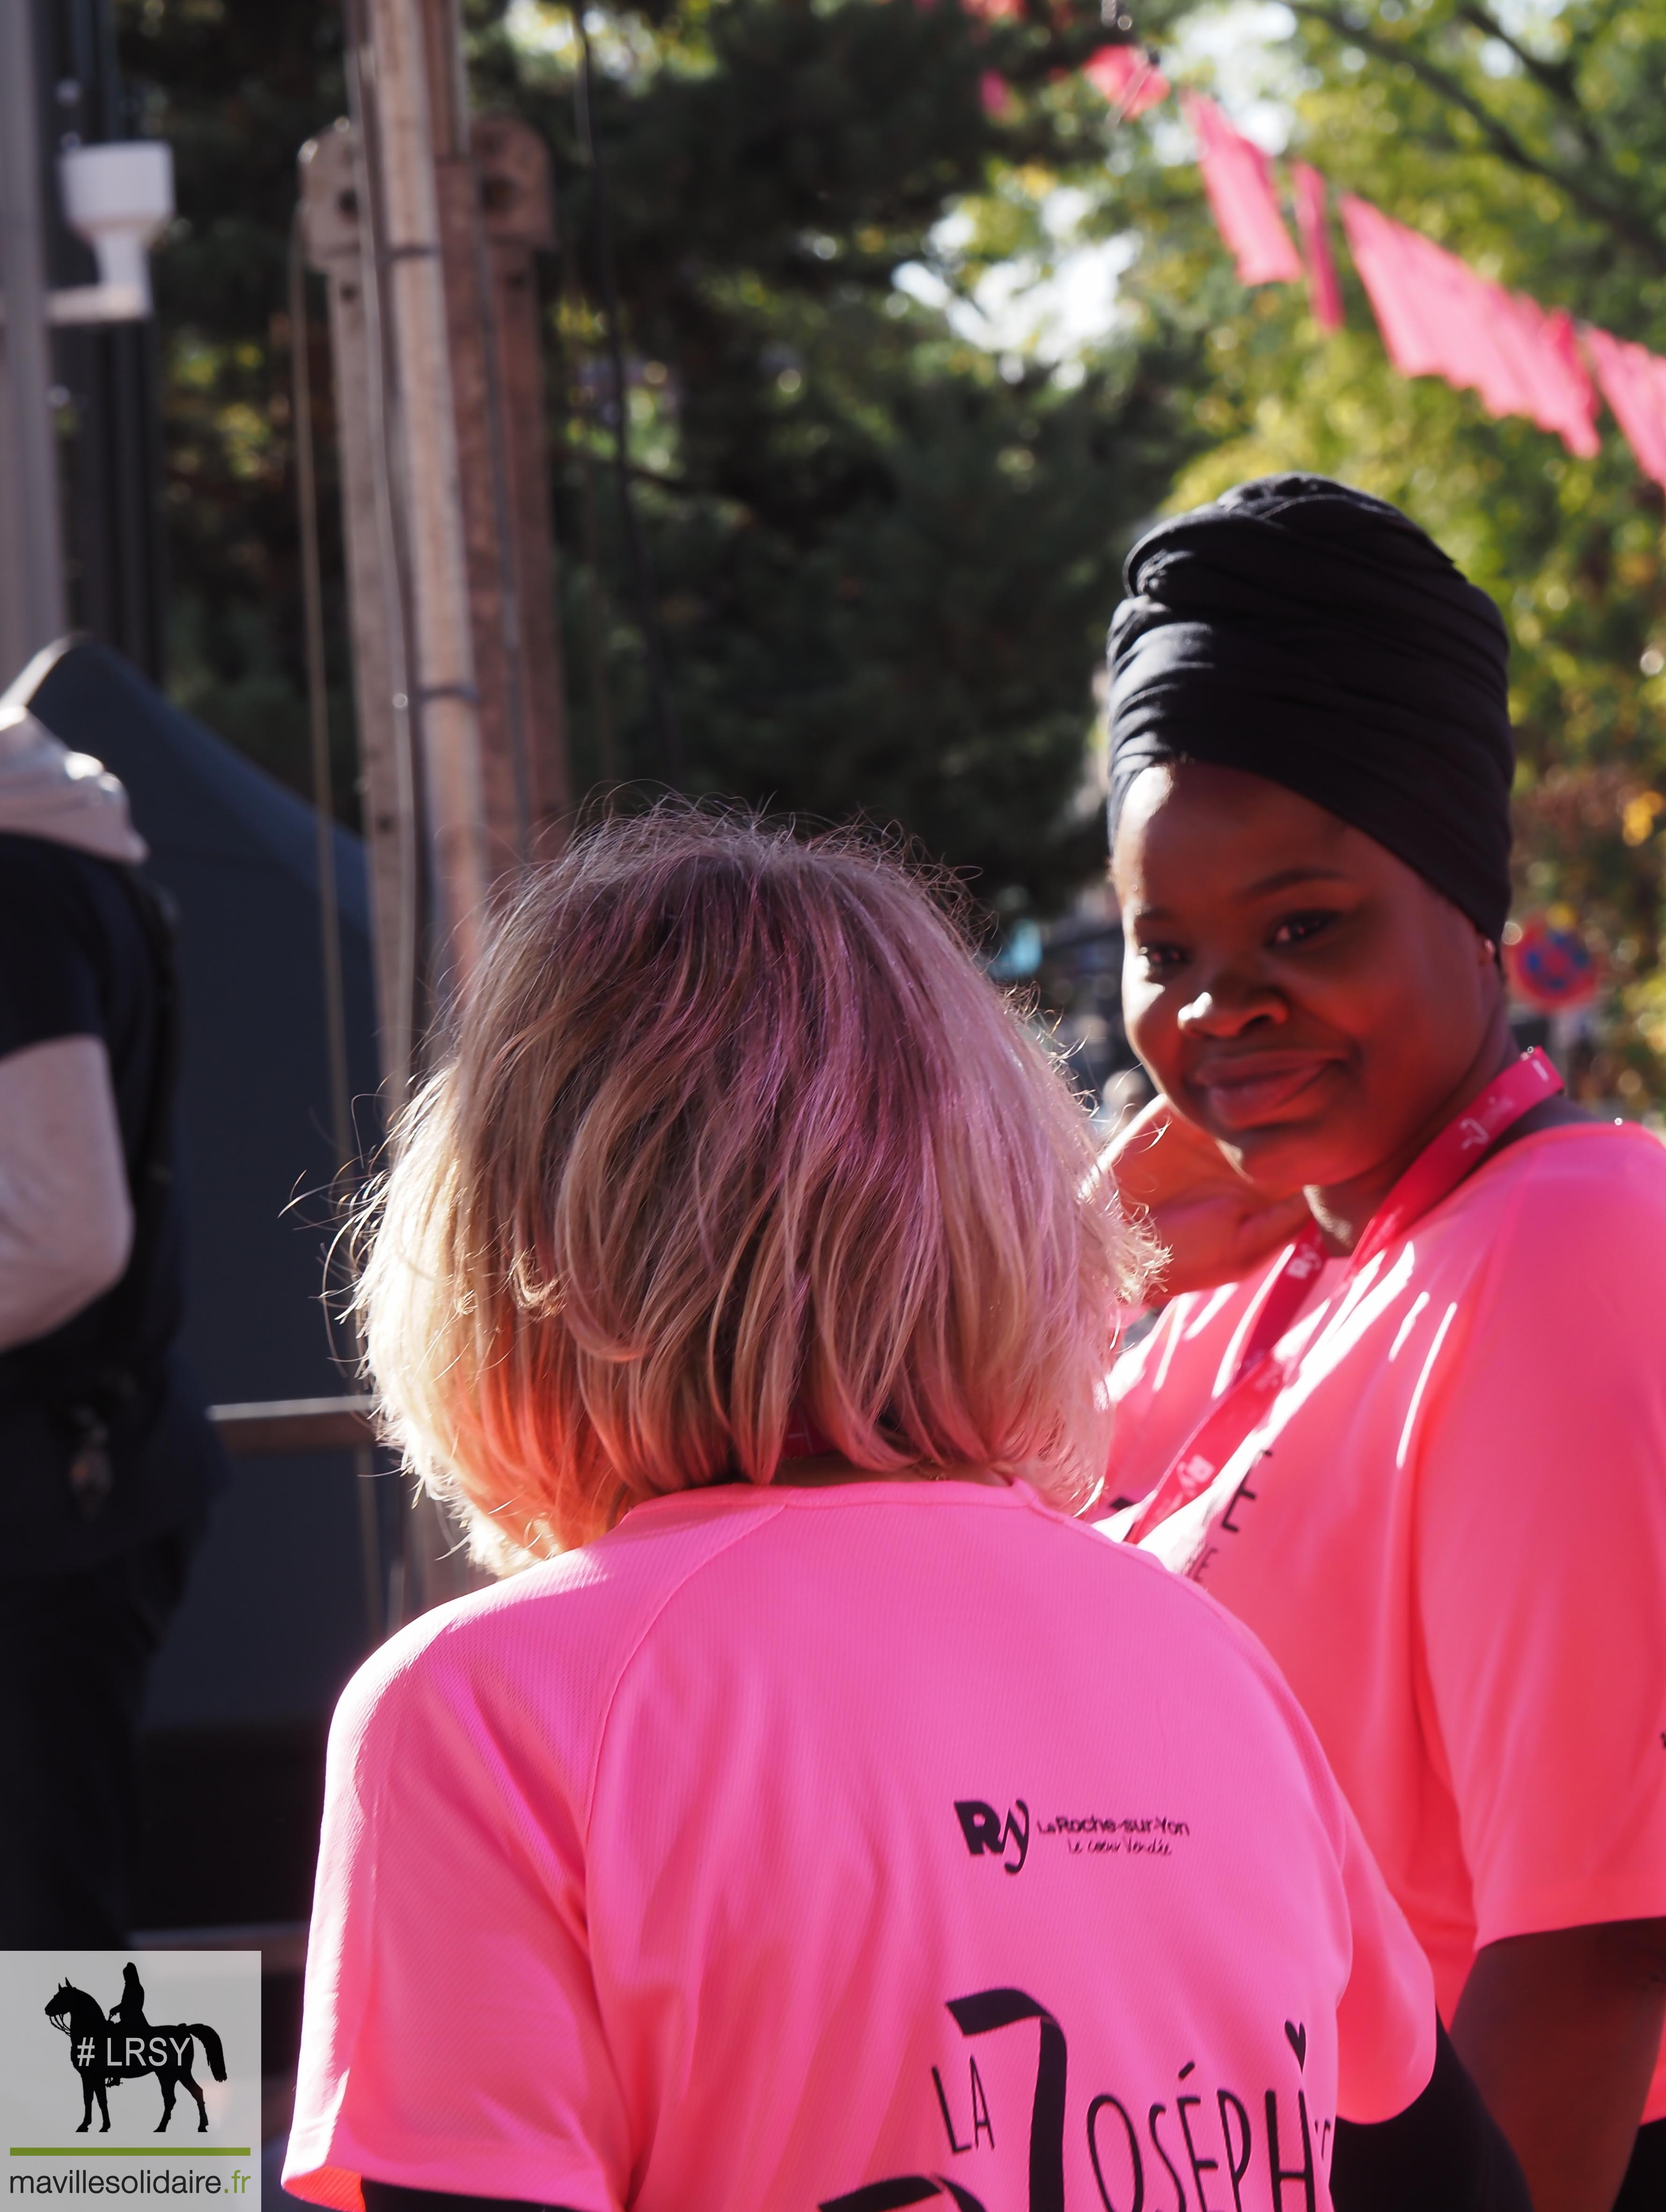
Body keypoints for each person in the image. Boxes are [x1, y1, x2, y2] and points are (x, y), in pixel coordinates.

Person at [282, 810, 1527, 2212]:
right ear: (995, 1201)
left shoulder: (483, 1714)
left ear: (516, 1243)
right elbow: (1450, 2173)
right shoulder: (1209, 1660)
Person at [1097, 475, 1666, 2212]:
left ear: (1469, 902)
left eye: (1301, 927)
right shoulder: (1269, 1276)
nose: (1216, 1010)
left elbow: (1593, 1957)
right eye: (1163, 948)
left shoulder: (1574, 1260)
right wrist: (1084, 1251)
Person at [0, 703, 223, 1948]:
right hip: (89, 1478)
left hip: (55, 1499)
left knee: (59, 1931)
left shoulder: (19, 886)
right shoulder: (61, 852)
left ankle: (127, 2161)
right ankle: (123, 2156)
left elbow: (70, 1235)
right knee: (72, 1914)